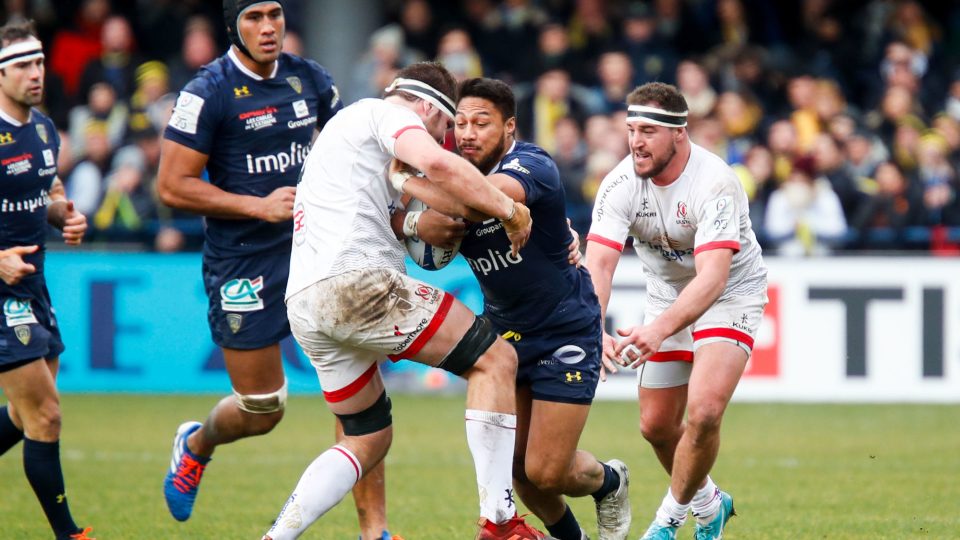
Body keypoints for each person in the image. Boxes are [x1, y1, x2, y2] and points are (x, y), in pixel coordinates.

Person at [262, 61, 543, 540]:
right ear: (429, 110)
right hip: (357, 284)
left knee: (368, 435)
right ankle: (500, 522)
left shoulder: (343, 132)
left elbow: (387, 214)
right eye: (446, 125)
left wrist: (412, 223)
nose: (446, 138)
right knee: (496, 360)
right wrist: (509, 210)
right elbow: (436, 164)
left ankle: (276, 536)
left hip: (306, 301)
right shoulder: (387, 115)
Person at [156, 0, 384, 531]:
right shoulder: (206, 92)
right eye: (254, 17)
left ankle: (376, 529)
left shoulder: (310, 79)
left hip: (317, 251)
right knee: (263, 406)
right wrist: (256, 205)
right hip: (244, 262)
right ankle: (197, 442)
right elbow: (170, 186)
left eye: (275, 15)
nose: (268, 27)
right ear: (232, 24)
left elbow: (351, 152)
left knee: (359, 398)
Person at [395, 77, 631, 540]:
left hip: (564, 329)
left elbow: (475, 202)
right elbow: (408, 212)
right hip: (505, 335)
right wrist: (408, 218)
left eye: (481, 123)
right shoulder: (452, 172)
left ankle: (610, 481)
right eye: (459, 123)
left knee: (546, 471)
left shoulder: (531, 164)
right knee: (518, 474)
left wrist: (403, 179)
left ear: (509, 128)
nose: (466, 133)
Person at [583, 82, 768, 540]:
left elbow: (713, 278)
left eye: (647, 130)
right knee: (656, 425)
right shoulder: (619, 182)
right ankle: (710, 504)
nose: (635, 142)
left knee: (703, 412)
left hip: (730, 295)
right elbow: (599, 264)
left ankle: (667, 521)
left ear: (679, 134)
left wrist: (656, 330)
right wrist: (591, 327)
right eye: (631, 130)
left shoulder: (716, 181)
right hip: (667, 296)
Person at [0, 20, 94, 540]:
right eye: (22, 66)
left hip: (33, 285)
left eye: (38, 63)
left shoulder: (42, 128)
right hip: (1, 290)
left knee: (24, 412)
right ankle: (69, 534)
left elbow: (49, 187)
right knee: (46, 415)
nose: (35, 74)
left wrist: (63, 215)